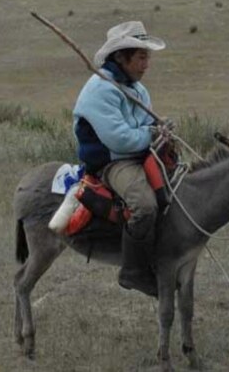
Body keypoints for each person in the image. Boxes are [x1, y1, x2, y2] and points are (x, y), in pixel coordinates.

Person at [72, 21, 167, 296]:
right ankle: (133, 270)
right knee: (145, 206)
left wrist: (159, 134)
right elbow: (120, 140)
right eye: (141, 57)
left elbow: (143, 126)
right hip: (112, 162)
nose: (146, 65)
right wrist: (151, 134)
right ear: (121, 57)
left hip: (137, 154)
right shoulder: (101, 89)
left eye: (147, 57)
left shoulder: (137, 89)